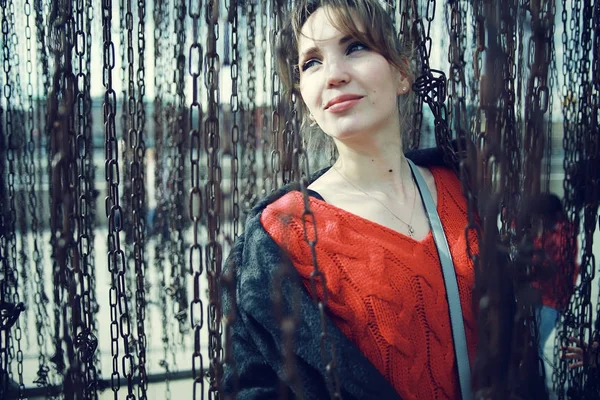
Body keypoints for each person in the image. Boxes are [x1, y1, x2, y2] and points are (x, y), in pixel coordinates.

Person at [222, 1, 478, 398]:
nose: (334, 75)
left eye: (355, 47)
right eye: (311, 63)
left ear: (403, 73)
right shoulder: (279, 236)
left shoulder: (460, 189)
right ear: (305, 103)